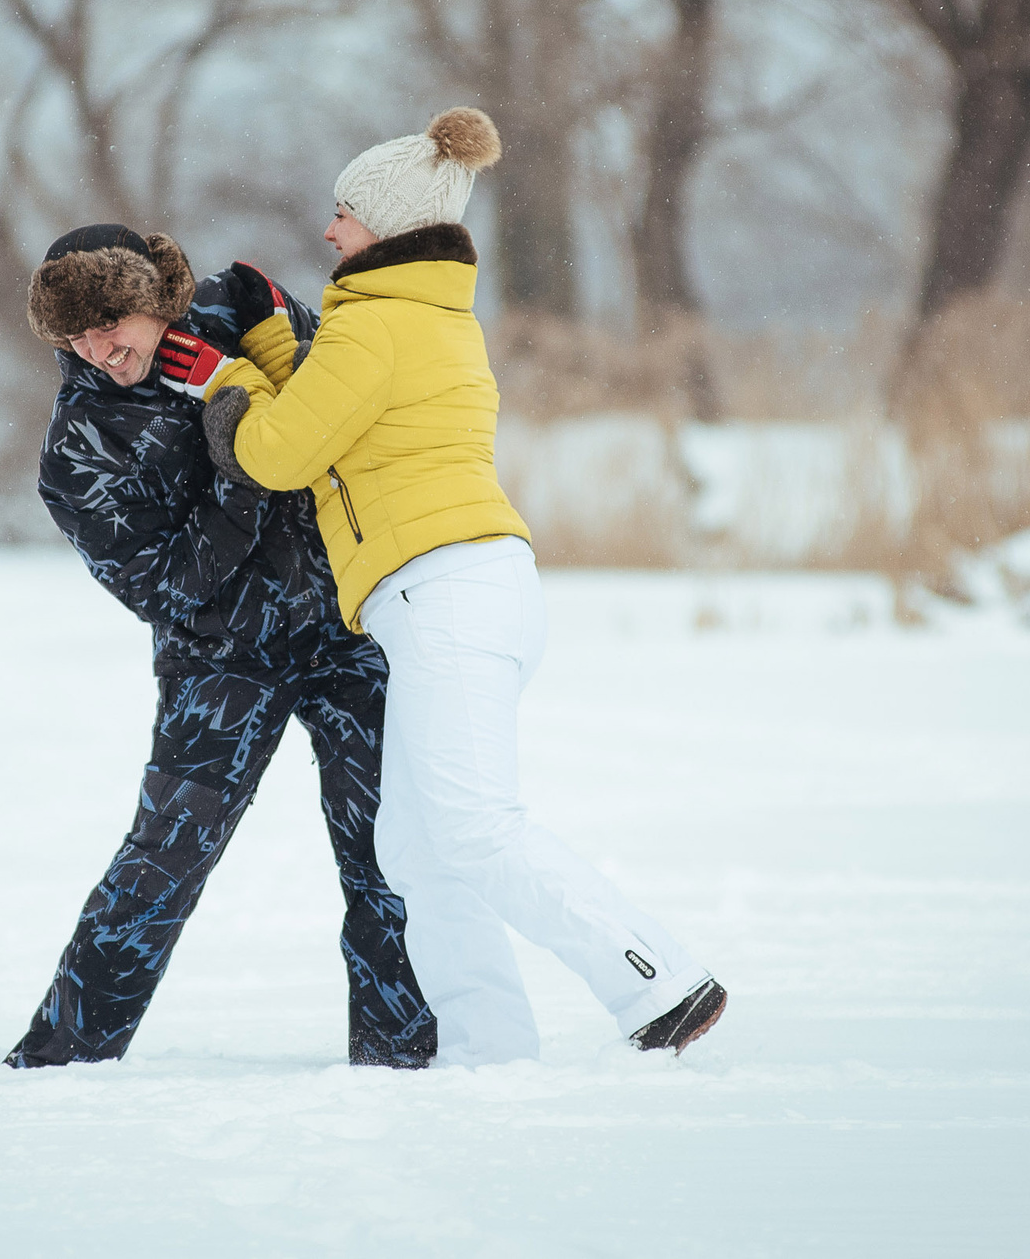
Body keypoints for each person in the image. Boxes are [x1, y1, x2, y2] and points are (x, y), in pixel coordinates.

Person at [153, 111, 727, 1066]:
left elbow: (282, 451)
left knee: (474, 827)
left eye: (343, 214)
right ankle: (486, 1046)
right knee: (417, 849)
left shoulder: (373, 324)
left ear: (380, 224)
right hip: (466, 591)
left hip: (445, 595)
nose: (329, 231)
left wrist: (220, 387)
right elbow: (337, 422)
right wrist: (253, 365)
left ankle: (659, 979)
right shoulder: (416, 318)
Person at [4, 223, 436, 1069]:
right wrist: (242, 467)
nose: (99, 348)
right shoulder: (77, 447)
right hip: (219, 659)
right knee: (165, 855)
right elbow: (168, 588)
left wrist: (268, 358)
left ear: (154, 298)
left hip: (344, 629)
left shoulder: (240, 318)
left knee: (387, 848)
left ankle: (404, 1052)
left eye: (112, 321)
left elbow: (347, 411)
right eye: (76, 334)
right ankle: (62, 1058)